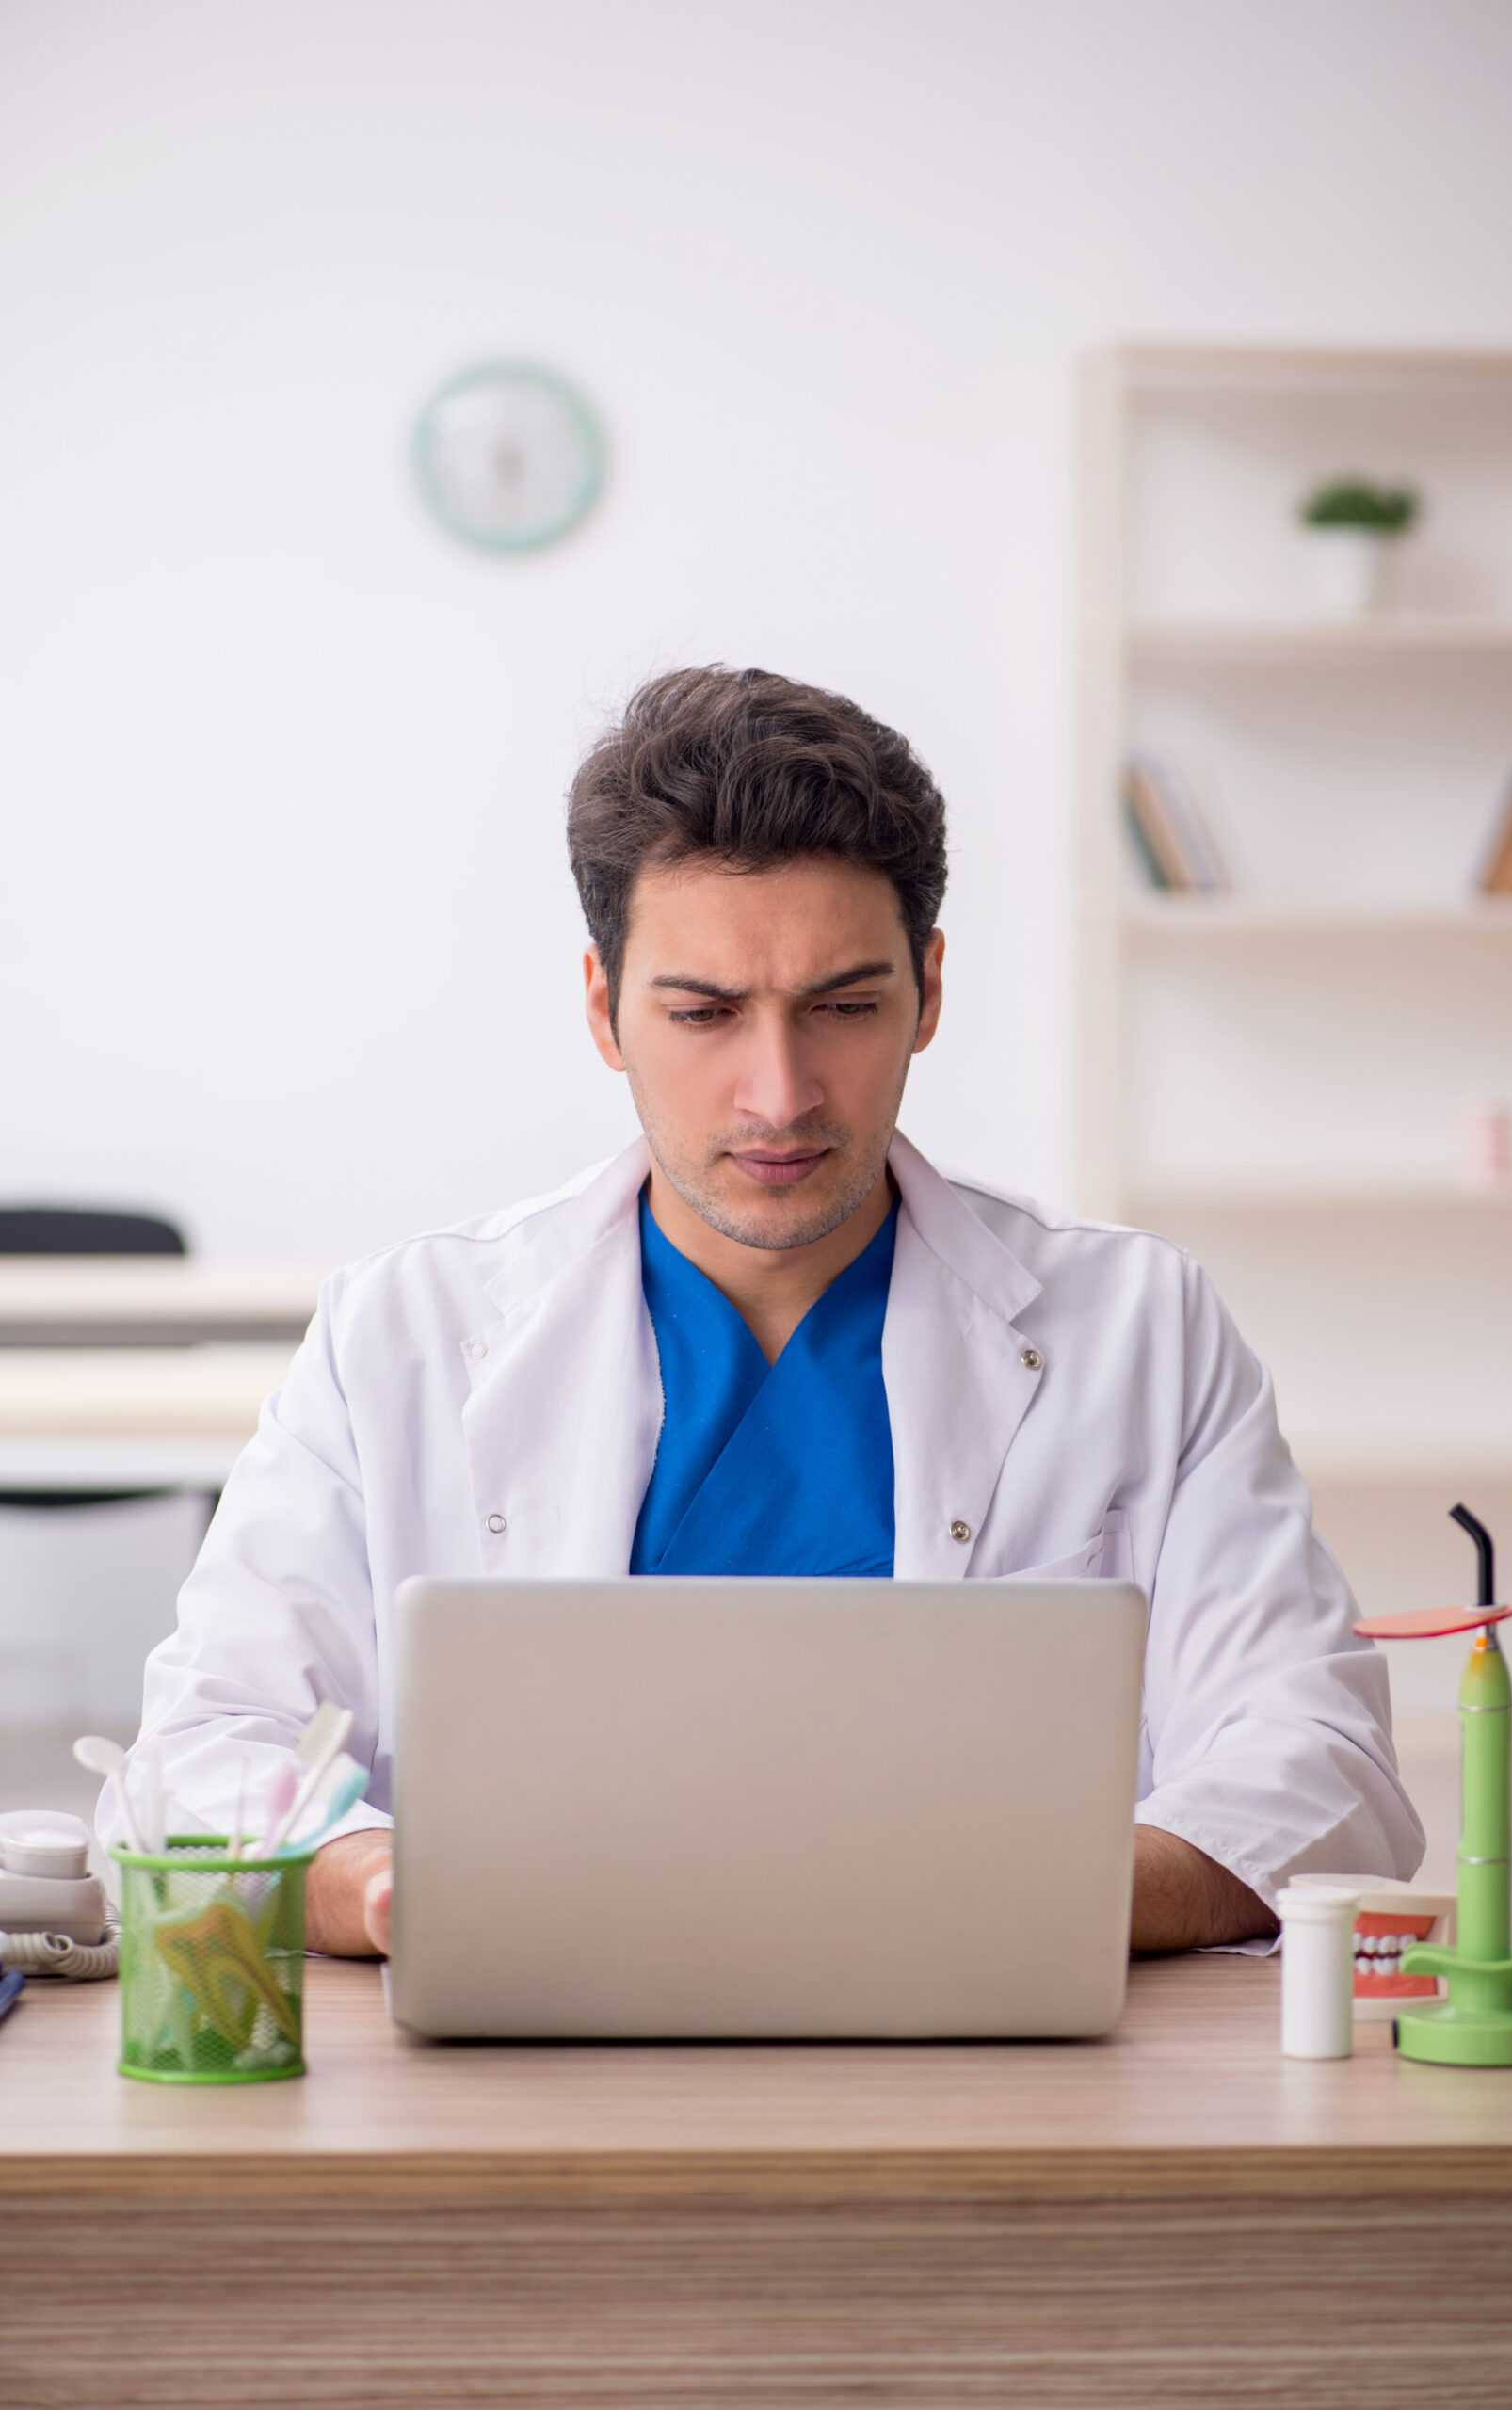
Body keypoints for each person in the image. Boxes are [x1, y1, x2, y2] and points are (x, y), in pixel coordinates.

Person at [105, 666, 1423, 1958]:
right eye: (704, 1013)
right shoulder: (395, 1335)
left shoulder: (1138, 1328)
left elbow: (1320, 1763)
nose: (778, 1093)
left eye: (844, 1007)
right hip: (526, 2044)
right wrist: (400, 1894)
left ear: (929, 993)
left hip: (993, 2055)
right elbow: (200, 1759)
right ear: (603, 1010)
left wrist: (1001, 1904)